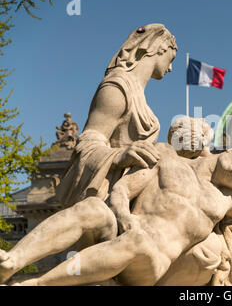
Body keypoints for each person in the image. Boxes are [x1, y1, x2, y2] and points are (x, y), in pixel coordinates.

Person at [0, 23, 177, 283]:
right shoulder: (116, 89)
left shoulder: (141, 96)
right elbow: (87, 143)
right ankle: (12, 261)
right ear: (158, 47)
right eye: (170, 59)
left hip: (135, 207)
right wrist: (119, 155)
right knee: (94, 211)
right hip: (106, 201)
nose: (171, 68)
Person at [14, 145, 232, 286]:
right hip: (124, 230)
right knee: (91, 207)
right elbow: (123, 188)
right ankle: (12, 260)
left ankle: (38, 283)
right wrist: (122, 214)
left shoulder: (226, 199)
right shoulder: (169, 161)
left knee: (139, 241)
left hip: (154, 262)